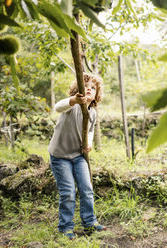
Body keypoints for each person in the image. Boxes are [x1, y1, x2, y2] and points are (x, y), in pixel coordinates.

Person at [48, 73, 105, 240]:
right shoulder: (70, 106)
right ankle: (65, 227)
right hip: (60, 156)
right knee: (68, 192)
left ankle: (90, 222)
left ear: (96, 94)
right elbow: (57, 107)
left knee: (87, 189)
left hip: (78, 156)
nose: (89, 89)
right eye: (85, 86)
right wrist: (73, 100)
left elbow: (91, 131)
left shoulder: (92, 113)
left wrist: (88, 144)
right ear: (77, 90)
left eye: (93, 88)